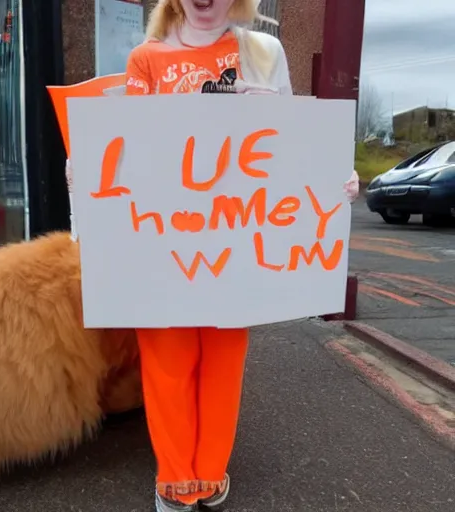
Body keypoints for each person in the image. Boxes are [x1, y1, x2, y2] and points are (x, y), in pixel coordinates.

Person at [67, 0, 360, 509]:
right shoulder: (147, 59)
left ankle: (209, 475)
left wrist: (334, 176)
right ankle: (177, 483)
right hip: (161, 242)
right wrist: (85, 168)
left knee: (223, 363)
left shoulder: (263, 53)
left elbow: (294, 143)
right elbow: (126, 146)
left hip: (232, 241)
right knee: (167, 363)